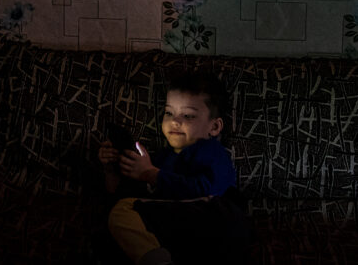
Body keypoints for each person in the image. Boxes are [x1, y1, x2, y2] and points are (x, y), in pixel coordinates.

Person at [96, 71, 249, 265]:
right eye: (169, 113)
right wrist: (113, 168)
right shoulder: (163, 156)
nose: (175, 121)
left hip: (215, 219)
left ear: (215, 127)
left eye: (188, 115)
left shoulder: (211, 152)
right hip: (177, 225)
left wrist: (152, 174)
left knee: (123, 211)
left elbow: (209, 190)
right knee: (116, 222)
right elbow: (129, 196)